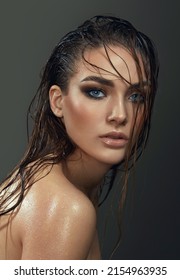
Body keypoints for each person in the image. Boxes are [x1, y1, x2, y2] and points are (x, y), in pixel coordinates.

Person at [0, 15, 159, 260]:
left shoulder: (46, 178)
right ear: (57, 101)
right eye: (95, 92)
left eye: (136, 96)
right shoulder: (66, 207)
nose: (120, 115)